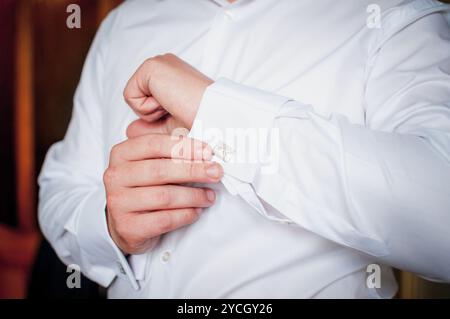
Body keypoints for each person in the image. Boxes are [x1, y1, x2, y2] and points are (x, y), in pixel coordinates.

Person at [38, 0, 450, 298]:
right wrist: (108, 226)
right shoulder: (122, 24)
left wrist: (212, 109)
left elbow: (441, 218)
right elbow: (61, 185)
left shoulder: (393, 17)